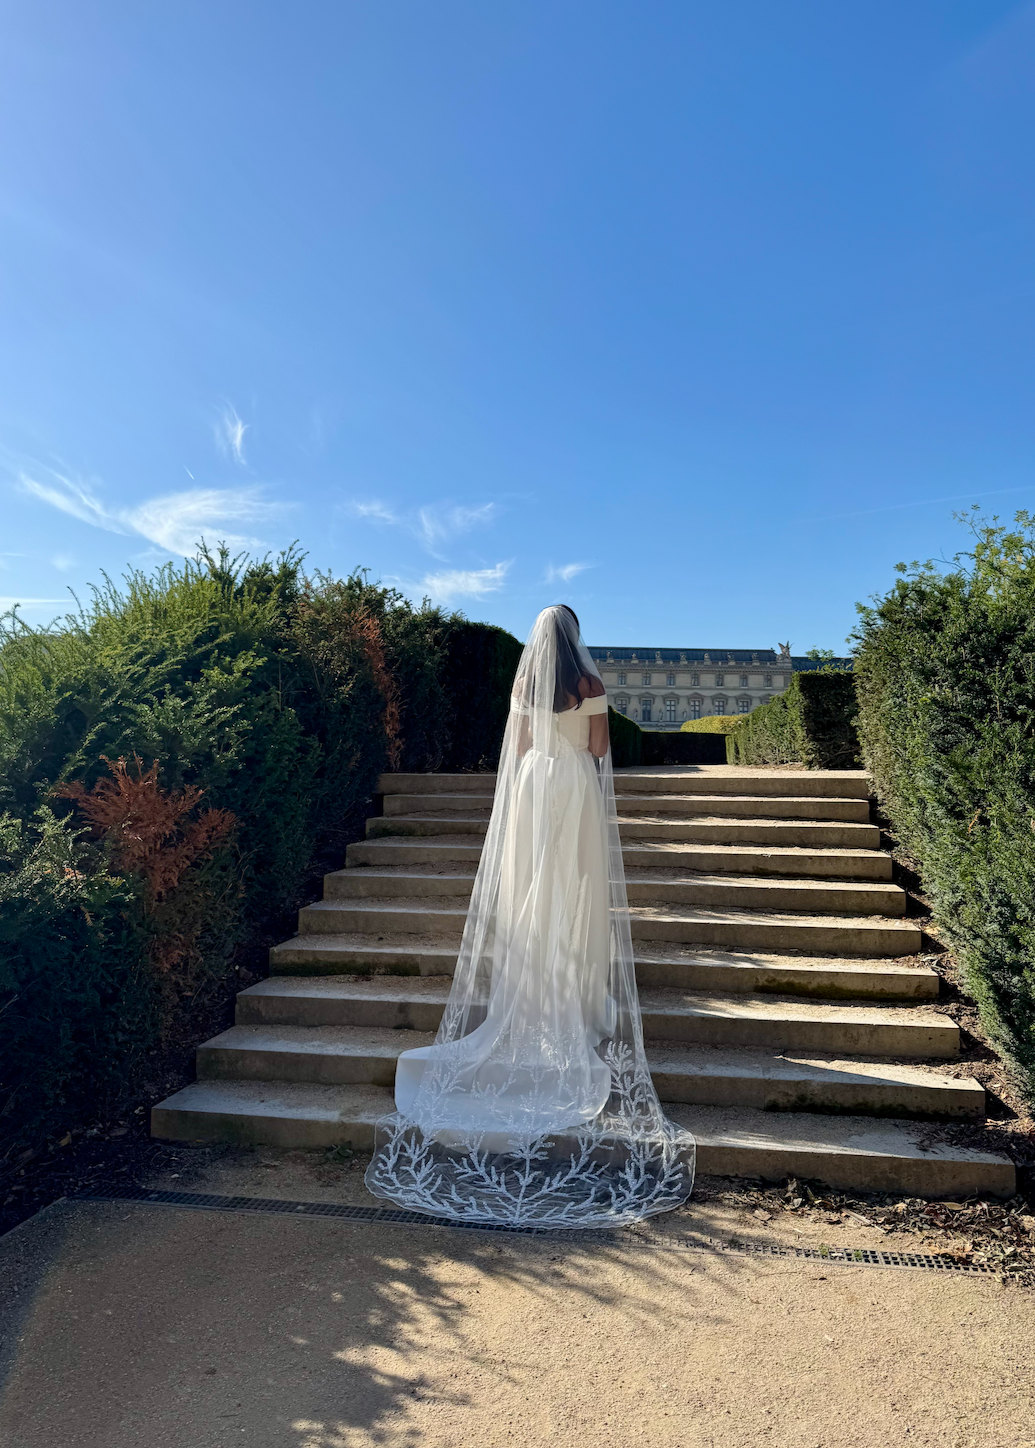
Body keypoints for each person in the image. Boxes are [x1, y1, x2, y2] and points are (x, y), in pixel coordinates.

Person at [365, 604, 695, 1226]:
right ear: (576, 639)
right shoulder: (590, 686)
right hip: (571, 785)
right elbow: (600, 750)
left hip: (533, 790)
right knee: (575, 892)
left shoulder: (523, 685)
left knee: (529, 896)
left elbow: (515, 753)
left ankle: (527, 993)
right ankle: (575, 996)